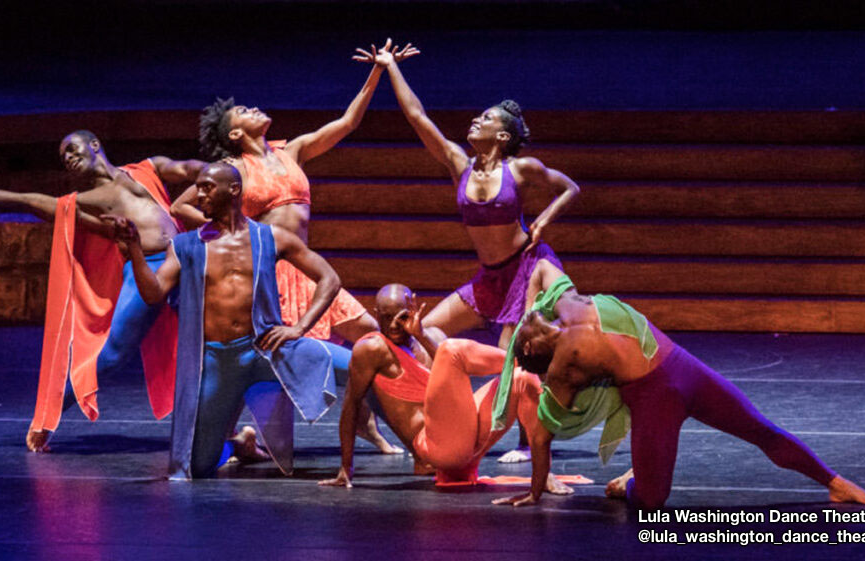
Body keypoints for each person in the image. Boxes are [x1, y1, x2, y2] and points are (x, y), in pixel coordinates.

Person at [173, 41, 421, 455]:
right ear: (235, 134)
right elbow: (181, 206)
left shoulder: (294, 150)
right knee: (271, 363)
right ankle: (231, 443)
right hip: (271, 274)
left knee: (374, 339)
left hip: (305, 269)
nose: (254, 110)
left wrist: (378, 71)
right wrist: (236, 237)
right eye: (244, 113)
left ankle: (400, 423)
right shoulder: (234, 170)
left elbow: (347, 123)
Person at [497, 261, 865, 509]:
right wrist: (535, 491)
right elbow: (543, 434)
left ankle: (835, 483)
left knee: (760, 428)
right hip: (653, 398)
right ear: (530, 344)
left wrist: (530, 299)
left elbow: (542, 267)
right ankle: (632, 482)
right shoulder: (565, 364)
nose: (526, 316)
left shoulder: (564, 300)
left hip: (683, 367)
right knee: (651, 501)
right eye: (522, 328)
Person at [357, 40, 581, 463]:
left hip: (526, 269)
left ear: (502, 135)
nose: (475, 120)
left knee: (517, 354)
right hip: (489, 277)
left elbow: (570, 188)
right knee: (424, 333)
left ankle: (526, 440)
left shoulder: (521, 169)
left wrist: (546, 220)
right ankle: (446, 409)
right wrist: (389, 68)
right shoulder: (458, 165)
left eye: (486, 118)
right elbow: (418, 117)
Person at [0, 131, 208, 452]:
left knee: (209, 349)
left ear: (95, 145)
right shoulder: (85, 203)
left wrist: (238, 170)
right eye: (62, 157)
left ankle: (229, 433)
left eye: (71, 148)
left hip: (187, 258)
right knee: (112, 356)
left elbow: (194, 169)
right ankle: (49, 415)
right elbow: (26, 200)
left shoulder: (148, 168)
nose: (67, 157)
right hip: (147, 268)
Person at [108, 161, 341, 478]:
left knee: (362, 364)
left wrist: (300, 327)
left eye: (206, 187)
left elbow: (329, 278)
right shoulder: (185, 245)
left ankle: (422, 436)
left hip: (266, 348)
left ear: (233, 190)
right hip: (218, 361)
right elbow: (154, 293)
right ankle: (238, 445)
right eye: (198, 188)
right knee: (199, 466)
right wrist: (134, 249)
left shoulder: (270, 237)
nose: (198, 195)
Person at [318, 283, 570, 494]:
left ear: (413, 305)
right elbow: (350, 406)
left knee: (522, 378)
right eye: (385, 318)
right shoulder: (372, 348)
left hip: (466, 445)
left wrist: (422, 336)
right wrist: (345, 468)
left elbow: (449, 371)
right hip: (439, 450)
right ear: (376, 314)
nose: (394, 325)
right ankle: (523, 357)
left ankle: (544, 474)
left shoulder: (432, 336)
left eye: (402, 316)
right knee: (452, 351)